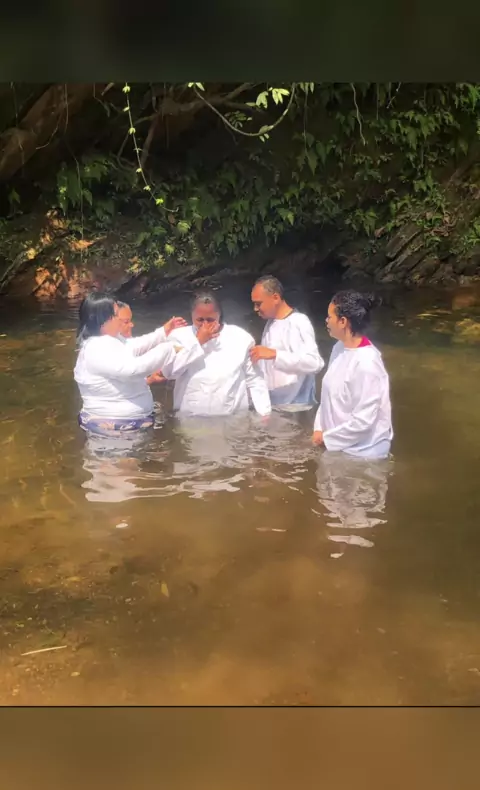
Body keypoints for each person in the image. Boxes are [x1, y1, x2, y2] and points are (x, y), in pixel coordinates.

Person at [74, 292, 202, 435]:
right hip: (112, 428)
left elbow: (133, 346)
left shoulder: (109, 341)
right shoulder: (96, 348)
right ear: (103, 320)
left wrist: (163, 332)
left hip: (125, 424)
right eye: (116, 315)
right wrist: (168, 349)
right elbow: (132, 370)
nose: (120, 319)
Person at [312, 290, 393, 459]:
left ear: (343, 321)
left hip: (364, 454)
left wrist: (326, 439)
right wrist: (319, 427)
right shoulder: (339, 348)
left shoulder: (367, 363)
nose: (326, 321)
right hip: (335, 444)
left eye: (329, 317)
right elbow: (328, 397)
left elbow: (364, 421)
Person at [165, 290, 271, 417]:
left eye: (210, 320)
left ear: (219, 315)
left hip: (233, 417)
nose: (205, 325)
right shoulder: (179, 337)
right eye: (200, 320)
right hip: (190, 417)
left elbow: (254, 378)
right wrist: (197, 342)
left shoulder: (240, 337)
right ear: (192, 316)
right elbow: (169, 373)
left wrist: (264, 412)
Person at [250, 274, 324, 411]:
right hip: (274, 405)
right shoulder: (270, 323)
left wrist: (275, 354)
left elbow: (315, 363)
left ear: (275, 298)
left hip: (297, 407)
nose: (255, 309)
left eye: (258, 303)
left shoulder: (299, 322)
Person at [116, 300, 175, 384]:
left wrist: (150, 380)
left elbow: (143, 342)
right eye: (126, 322)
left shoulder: (126, 342)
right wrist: (168, 349)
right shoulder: (109, 352)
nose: (132, 325)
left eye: (130, 320)